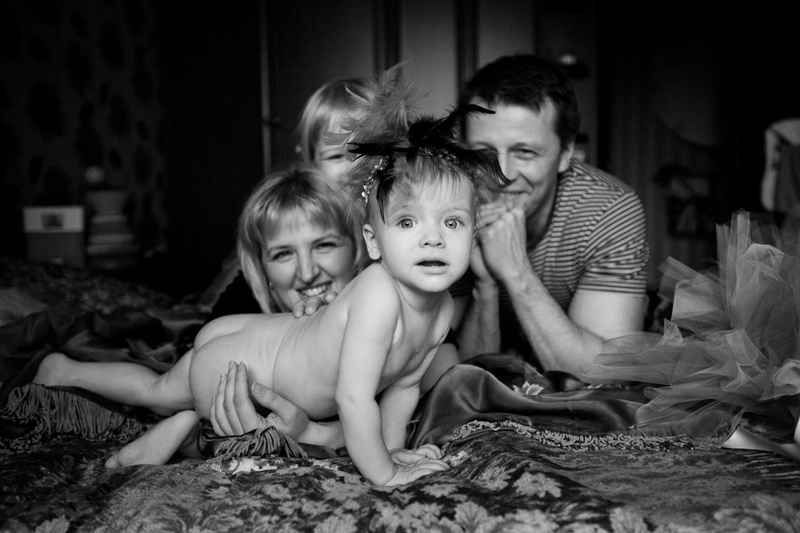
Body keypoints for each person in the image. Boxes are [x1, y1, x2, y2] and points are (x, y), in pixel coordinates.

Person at [32, 79, 502, 485]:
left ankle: (67, 372)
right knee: (173, 398)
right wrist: (385, 472)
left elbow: (403, 387)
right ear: (373, 241)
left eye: (453, 223)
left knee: (161, 388)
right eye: (408, 222)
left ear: (474, 231)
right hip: (247, 368)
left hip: (259, 337)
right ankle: (175, 424)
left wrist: (393, 449)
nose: (433, 239)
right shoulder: (379, 293)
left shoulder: (440, 309)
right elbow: (354, 397)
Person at [450, 54, 650, 377]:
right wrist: (484, 286)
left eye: (525, 152)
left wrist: (517, 273)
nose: (503, 174)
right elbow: (458, 381)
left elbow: (604, 374)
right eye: (483, 153)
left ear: (566, 153)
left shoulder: (608, 209)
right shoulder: (448, 205)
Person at [206, 77, 371, 320]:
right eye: (336, 156)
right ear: (310, 163)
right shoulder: (288, 224)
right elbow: (220, 321)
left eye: (369, 152)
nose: (355, 168)